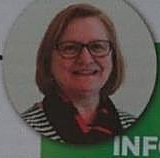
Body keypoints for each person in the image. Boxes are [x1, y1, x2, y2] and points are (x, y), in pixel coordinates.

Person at [21, 3, 137, 143]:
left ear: (113, 57)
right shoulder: (20, 129)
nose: (85, 59)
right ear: (48, 58)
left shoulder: (137, 130)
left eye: (97, 46)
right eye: (70, 48)